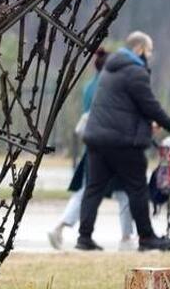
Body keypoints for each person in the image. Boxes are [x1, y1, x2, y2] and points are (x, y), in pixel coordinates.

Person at [76, 31, 170, 252]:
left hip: (97, 139)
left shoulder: (110, 69)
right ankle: (146, 238)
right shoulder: (135, 72)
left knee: (94, 188)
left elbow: (127, 107)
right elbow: (150, 105)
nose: (151, 55)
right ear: (140, 49)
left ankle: (84, 237)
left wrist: (147, 124)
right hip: (123, 143)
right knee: (137, 188)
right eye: (150, 50)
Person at [46, 48, 136, 251]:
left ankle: (60, 227)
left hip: (92, 145)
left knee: (86, 191)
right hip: (111, 145)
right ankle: (126, 237)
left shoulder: (88, 87)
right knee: (124, 192)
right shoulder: (109, 88)